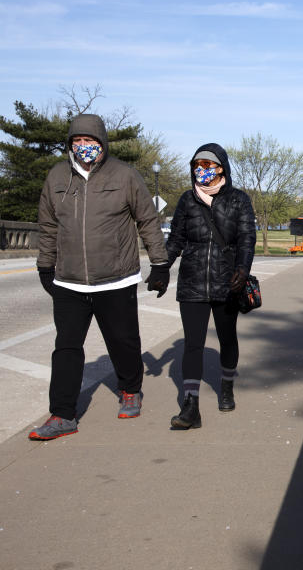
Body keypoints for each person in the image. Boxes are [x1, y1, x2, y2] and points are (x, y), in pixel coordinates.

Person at [31, 114, 169, 440]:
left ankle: (131, 390)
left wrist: (159, 264)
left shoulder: (125, 175)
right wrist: (44, 266)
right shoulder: (57, 177)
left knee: (122, 341)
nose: (83, 147)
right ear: (70, 145)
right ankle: (63, 414)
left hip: (116, 278)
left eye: (89, 142)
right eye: (77, 142)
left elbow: (147, 220)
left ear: (102, 143)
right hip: (69, 280)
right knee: (66, 347)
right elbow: (48, 226)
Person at [164, 143, 256, 429]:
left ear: (221, 168)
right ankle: (191, 405)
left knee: (227, 338)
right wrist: (160, 267)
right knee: (193, 344)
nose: (201, 170)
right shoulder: (187, 199)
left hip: (227, 281)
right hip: (192, 281)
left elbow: (246, 239)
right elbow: (176, 239)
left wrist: (242, 269)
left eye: (207, 165)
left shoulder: (238, 200)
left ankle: (226, 386)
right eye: (197, 165)